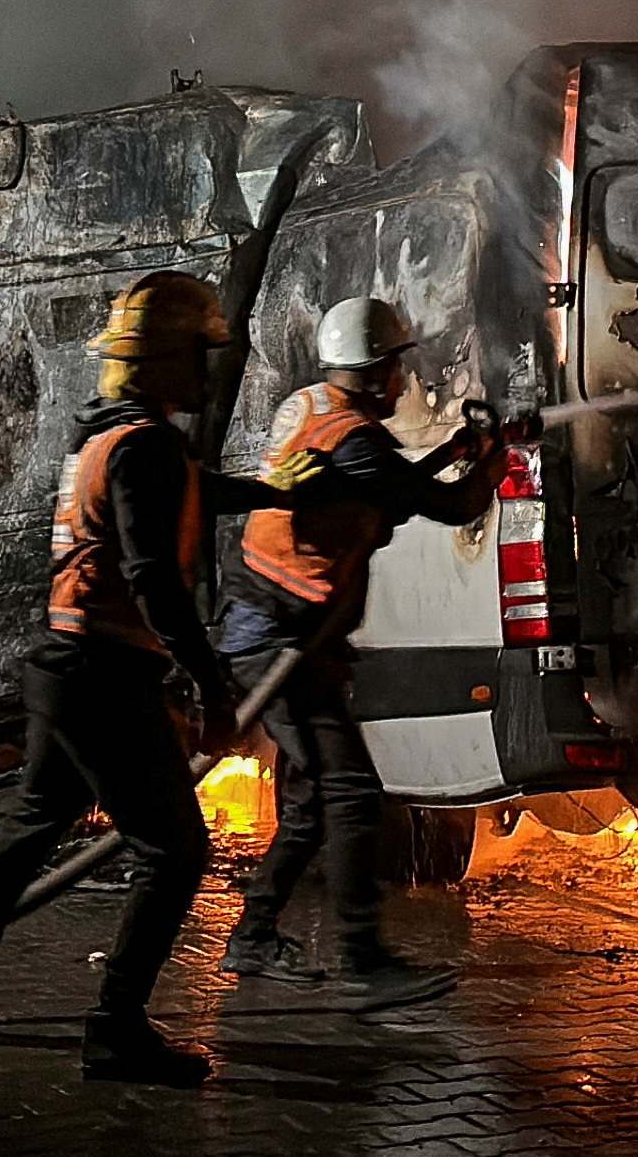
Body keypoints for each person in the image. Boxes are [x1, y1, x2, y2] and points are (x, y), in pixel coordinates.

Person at [0, 271, 317, 1088]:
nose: (208, 375)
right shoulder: (144, 446)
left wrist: (270, 489)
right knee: (173, 854)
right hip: (106, 673)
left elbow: (185, 495)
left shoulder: (106, 440)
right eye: (199, 357)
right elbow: (154, 575)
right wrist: (209, 686)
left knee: (31, 825)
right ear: (167, 361)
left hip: (64, 664)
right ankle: (114, 1029)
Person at [216, 296, 504, 1005]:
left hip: (272, 631)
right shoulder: (358, 440)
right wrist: (493, 460)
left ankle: (252, 939)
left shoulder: (312, 406)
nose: (404, 379)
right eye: (399, 365)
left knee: (314, 799)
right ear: (378, 371)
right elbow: (450, 506)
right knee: (349, 791)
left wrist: (458, 450)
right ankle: (361, 962)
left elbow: (386, 491)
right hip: (279, 641)